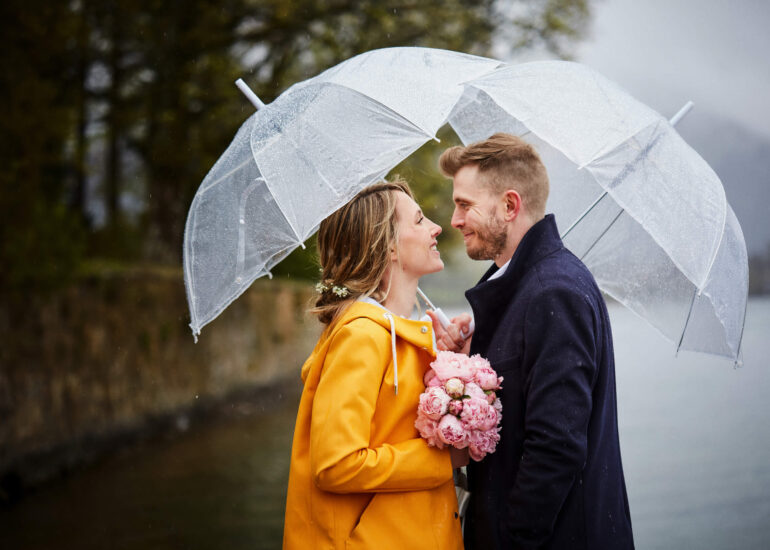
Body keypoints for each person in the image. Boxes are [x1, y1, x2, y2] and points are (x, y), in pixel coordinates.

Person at [428, 133, 634, 549]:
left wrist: (512, 541)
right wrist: (473, 362)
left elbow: (555, 447)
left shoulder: (554, 292)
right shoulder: (528, 289)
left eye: (465, 204)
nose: (454, 219)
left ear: (509, 206)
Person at [283, 178, 466, 550]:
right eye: (418, 221)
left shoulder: (397, 336)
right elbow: (336, 464)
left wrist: (455, 365)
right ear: (389, 247)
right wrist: (444, 458)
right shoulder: (362, 336)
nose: (436, 227)